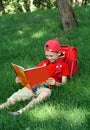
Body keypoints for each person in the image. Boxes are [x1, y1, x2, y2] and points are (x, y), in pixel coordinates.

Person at [0, 39, 69, 115]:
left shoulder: (63, 66)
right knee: (15, 97)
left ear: (58, 53)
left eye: (51, 56)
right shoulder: (43, 63)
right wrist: (21, 79)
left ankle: (21, 111)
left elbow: (64, 83)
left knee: (45, 94)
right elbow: (34, 75)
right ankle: (2, 106)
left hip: (46, 87)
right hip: (34, 86)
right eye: (47, 55)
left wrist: (55, 83)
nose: (49, 58)